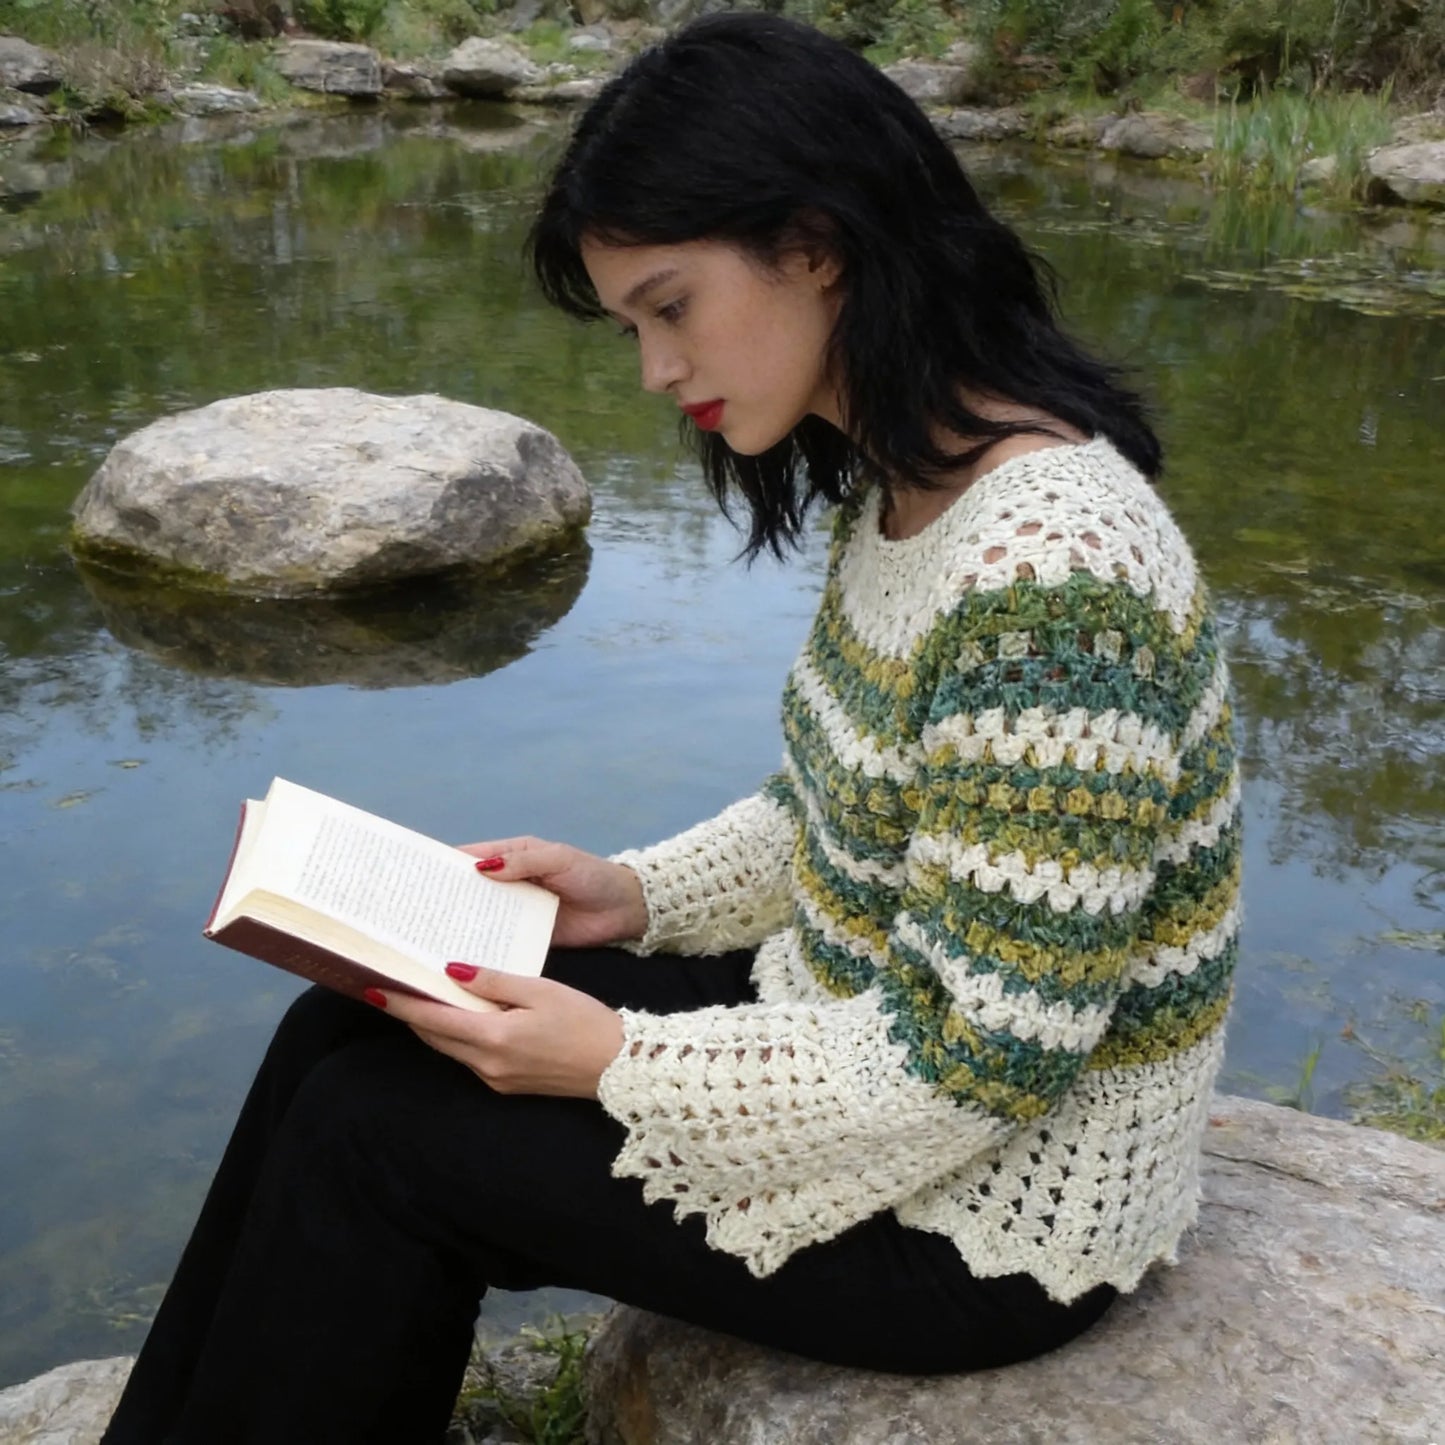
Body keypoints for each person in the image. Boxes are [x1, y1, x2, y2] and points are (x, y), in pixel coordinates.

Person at [102, 12, 1240, 1443]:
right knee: (346, 1016)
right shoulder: (910, 481)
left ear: (815, 244)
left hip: (982, 1214)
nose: (653, 368)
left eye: (668, 305)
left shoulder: (1055, 575)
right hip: (847, 1041)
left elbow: (980, 1059)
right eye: (634, 322)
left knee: (377, 1141)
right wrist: (628, 896)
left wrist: (610, 1060)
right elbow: (841, 808)